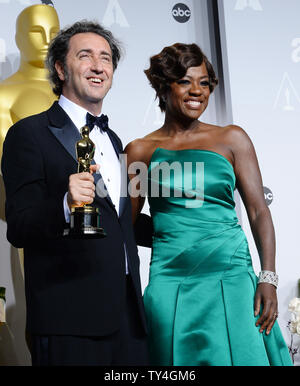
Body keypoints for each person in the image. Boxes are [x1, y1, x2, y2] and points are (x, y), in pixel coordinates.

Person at [125, 43, 293, 366]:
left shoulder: (233, 139)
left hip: (231, 275)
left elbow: (259, 212)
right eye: (185, 81)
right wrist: (171, 234)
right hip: (170, 280)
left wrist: (267, 277)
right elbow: (127, 224)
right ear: (164, 86)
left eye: (204, 83)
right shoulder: (138, 151)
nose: (197, 91)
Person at [1, 20, 148, 366]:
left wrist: (190, 226)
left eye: (107, 58)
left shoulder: (114, 141)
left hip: (129, 319)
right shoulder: (29, 134)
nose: (99, 66)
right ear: (59, 68)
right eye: (86, 56)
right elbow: (19, 226)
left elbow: (120, 224)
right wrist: (66, 204)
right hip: (70, 322)